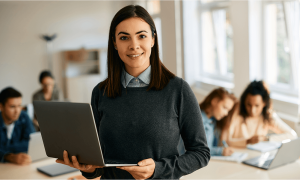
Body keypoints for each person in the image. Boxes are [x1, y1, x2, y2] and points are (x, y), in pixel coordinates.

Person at [56, 5, 210, 180]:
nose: (134, 46)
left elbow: (201, 153)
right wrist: (89, 168)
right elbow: (98, 163)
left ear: (153, 39)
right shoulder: (100, 92)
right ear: (114, 43)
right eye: (124, 38)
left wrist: (158, 169)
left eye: (142, 36)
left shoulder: (178, 90)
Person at [222, 80, 297, 147]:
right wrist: (247, 141)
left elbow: (292, 136)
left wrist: (266, 139)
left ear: (264, 103)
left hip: (257, 157)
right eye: (249, 105)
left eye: (257, 105)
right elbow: (225, 141)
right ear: (244, 101)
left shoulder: (268, 115)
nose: (252, 110)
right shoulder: (236, 109)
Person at [0, 87, 35, 165]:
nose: (17, 111)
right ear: (1, 106)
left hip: (22, 165)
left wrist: (5, 150)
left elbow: (31, 143)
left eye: (19, 106)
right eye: (12, 106)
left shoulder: (24, 117)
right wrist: (10, 157)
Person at [199, 88, 236, 156]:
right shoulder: (197, 120)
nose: (226, 113)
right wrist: (220, 151)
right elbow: (198, 150)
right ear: (214, 101)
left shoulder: (213, 121)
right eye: (225, 108)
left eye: (228, 110)